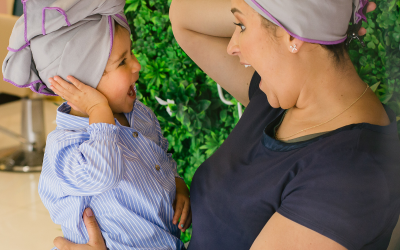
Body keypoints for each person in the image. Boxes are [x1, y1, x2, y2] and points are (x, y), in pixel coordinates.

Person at [53, 0, 400, 250]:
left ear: (292, 36)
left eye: (242, 26)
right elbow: (184, 16)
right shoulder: (275, 96)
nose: (232, 45)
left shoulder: (350, 174)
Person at [2, 0, 191, 249]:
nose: (137, 66)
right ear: (83, 82)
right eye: (122, 62)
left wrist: (177, 183)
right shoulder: (64, 147)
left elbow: (160, 154)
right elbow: (102, 174)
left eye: (131, 53)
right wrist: (98, 110)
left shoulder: (139, 113)